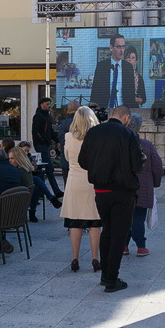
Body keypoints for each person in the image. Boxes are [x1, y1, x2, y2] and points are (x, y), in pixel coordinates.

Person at [79, 105, 142, 293]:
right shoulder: (128, 135)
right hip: (123, 191)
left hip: (101, 191)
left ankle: (105, 274)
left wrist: (99, 166)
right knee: (119, 235)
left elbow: (83, 161)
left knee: (107, 231)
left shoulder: (93, 132)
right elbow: (137, 164)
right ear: (126, 118)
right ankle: (111, 279)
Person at [63, 107, 102, 273]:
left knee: (75, 222)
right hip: (93, 182)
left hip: (74, 182)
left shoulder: (68, 137)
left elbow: (66, 157)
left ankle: (75, 258)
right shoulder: (98, 137)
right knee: (95, 223)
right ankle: (95, 258)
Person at [125, 113, 163, 257]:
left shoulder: (122, 143)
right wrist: (156, 183)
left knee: (125, 218)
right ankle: (141, 246)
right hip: (142, 187)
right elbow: (157, 166)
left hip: (125, 186)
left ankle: (124, 246)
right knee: (138, 218)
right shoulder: (146, 145)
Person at [91, 34, 141, 109]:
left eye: (123, 47)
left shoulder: (128, 67)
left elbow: (130, 93)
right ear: (111, 47)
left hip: (123, 111)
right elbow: (95, 92)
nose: (121, 50)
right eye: (118, 47)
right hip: (105, 110)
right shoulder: (101, 66)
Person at [55, 101, 79, 178]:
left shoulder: (63, 123)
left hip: (65, 157)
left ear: (68, 110)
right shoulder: (79, 122)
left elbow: (61, 139)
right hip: (77, 160)